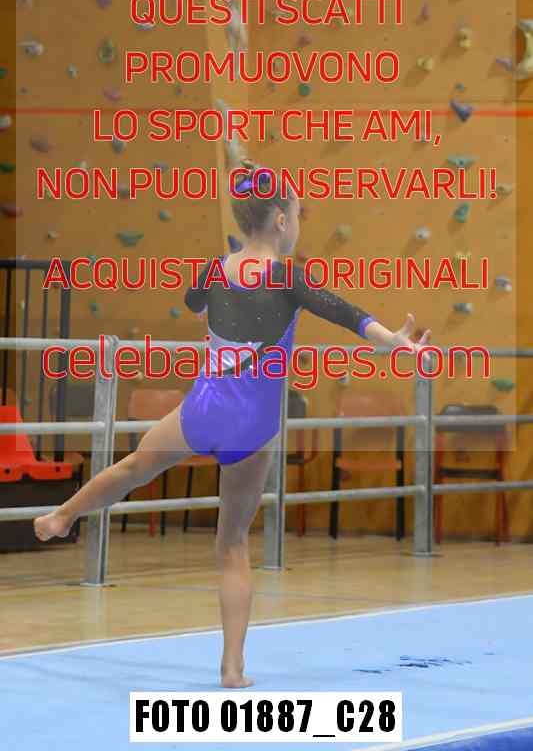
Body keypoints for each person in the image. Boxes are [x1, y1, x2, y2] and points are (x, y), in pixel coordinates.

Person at [34, 161, 431, 688]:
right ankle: (232, 668)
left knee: (132, 468)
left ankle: (62, 516)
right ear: (282, 221)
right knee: (232, 544)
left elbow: (193, 302)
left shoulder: (215, 269)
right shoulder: (289, 276)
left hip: (205, 409)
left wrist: (216, 302)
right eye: (297, 215)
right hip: (254, 423)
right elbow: (348, 315)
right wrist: (397, 342)